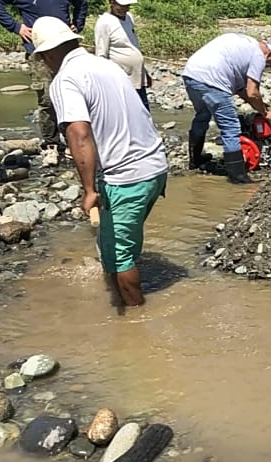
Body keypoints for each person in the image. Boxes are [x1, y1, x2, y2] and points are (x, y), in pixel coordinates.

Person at [31, 16, 168, 307]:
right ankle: (118, 287)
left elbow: (79, 135)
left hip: (126, 179)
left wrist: (89, 189)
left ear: (45, 55)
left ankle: (135, 325)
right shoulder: (106, 65)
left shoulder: (65, 80)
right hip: (156, 168)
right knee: (115, 244)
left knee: (121, 258)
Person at [0, 0, 87, 153]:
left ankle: (76, 139)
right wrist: (16, 27)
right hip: (39, 52)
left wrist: (77, 24)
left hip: (67, 48)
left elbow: (82, 3)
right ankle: (52, 144)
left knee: (76, 94)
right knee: (47, 99)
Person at [181, 33, 271, 184]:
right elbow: (252, 92)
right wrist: (264, 113)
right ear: (270, 53)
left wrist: (261, 105)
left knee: (202, 115)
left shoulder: (245, 43)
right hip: (213, 80)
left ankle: (195, 161)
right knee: (231, 128)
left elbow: (243, 91)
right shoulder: (258, 56)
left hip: (191, 75)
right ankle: (238, 177)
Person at [94, 0, 150, 112]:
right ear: (112, 2)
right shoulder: (104, 23)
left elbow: (133, 45)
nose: (125, 9)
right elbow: (101, 54)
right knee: (128, 110)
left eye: (127, 6)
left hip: (137, 74)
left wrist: (145, 72)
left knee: (143, 108)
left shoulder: (129, 18)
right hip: (121, 77)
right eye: (122, 6)